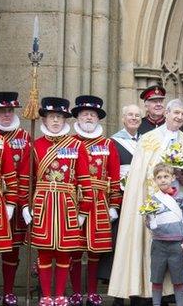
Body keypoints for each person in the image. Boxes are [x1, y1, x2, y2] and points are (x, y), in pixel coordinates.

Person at [108, 99, 183, 300]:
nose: (179, 117)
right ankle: (151, 293)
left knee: (178, 254)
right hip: (154, 204)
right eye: (176, 112)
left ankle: (178, 294)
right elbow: (139, 176)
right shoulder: (148, 140)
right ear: (166, 113)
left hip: (180, 205)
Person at [23, 97, 93, 306]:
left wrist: (84, 210)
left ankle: (61, 294)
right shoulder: (35, 146)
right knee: (44, 252)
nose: (55, 121)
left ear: (65, 120)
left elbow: (84, 180)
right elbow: (28, 180)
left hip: (67, 206)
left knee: (64, 252)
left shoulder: (77, 145)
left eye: (60, 117)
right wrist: (25, 205)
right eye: (52, 117)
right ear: (44, 120)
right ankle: (46, 296)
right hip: (43, 205)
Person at [68, 95, 122, 306]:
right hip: (74, 202)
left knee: (94, 251)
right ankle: (74, 292)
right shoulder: (69, 143)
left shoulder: (108, 144)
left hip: (100, 203)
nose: (89, 117)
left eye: (92, 114)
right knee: (73, 249)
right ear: (78, 117)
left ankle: (91, 292)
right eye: (85, 114)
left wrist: (114, 205)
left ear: (98, 118)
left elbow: (115, 176)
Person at [99, 104, 142, 305]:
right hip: (122, 200)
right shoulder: (112, 142)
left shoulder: (145, 141)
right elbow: (108, 173)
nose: (134, 118)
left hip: (140, 200)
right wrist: (113, 203)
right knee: (120, 248)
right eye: (130, 115)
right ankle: (117, 295)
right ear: (123, 118)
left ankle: (136, 293)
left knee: (137, 247)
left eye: (137, 115)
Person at [0, 92, 30, 306]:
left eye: (10, 110)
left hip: (16, 202)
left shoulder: (24, 137)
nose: (7, 114)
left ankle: (8, 290)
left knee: (12, 248)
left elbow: (27, 172)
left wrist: (21, 203)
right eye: (2, 110)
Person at [145, 163, 183, 306]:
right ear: (155, 180)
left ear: (173, 178)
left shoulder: (182, 197)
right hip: (158, 244)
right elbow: (148, 222)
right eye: (159, 177)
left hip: (177, 245)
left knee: (178, 279)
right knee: (156, 279)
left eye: (166, 176)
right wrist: (150, 220)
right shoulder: (153, 199)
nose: (163, 180)